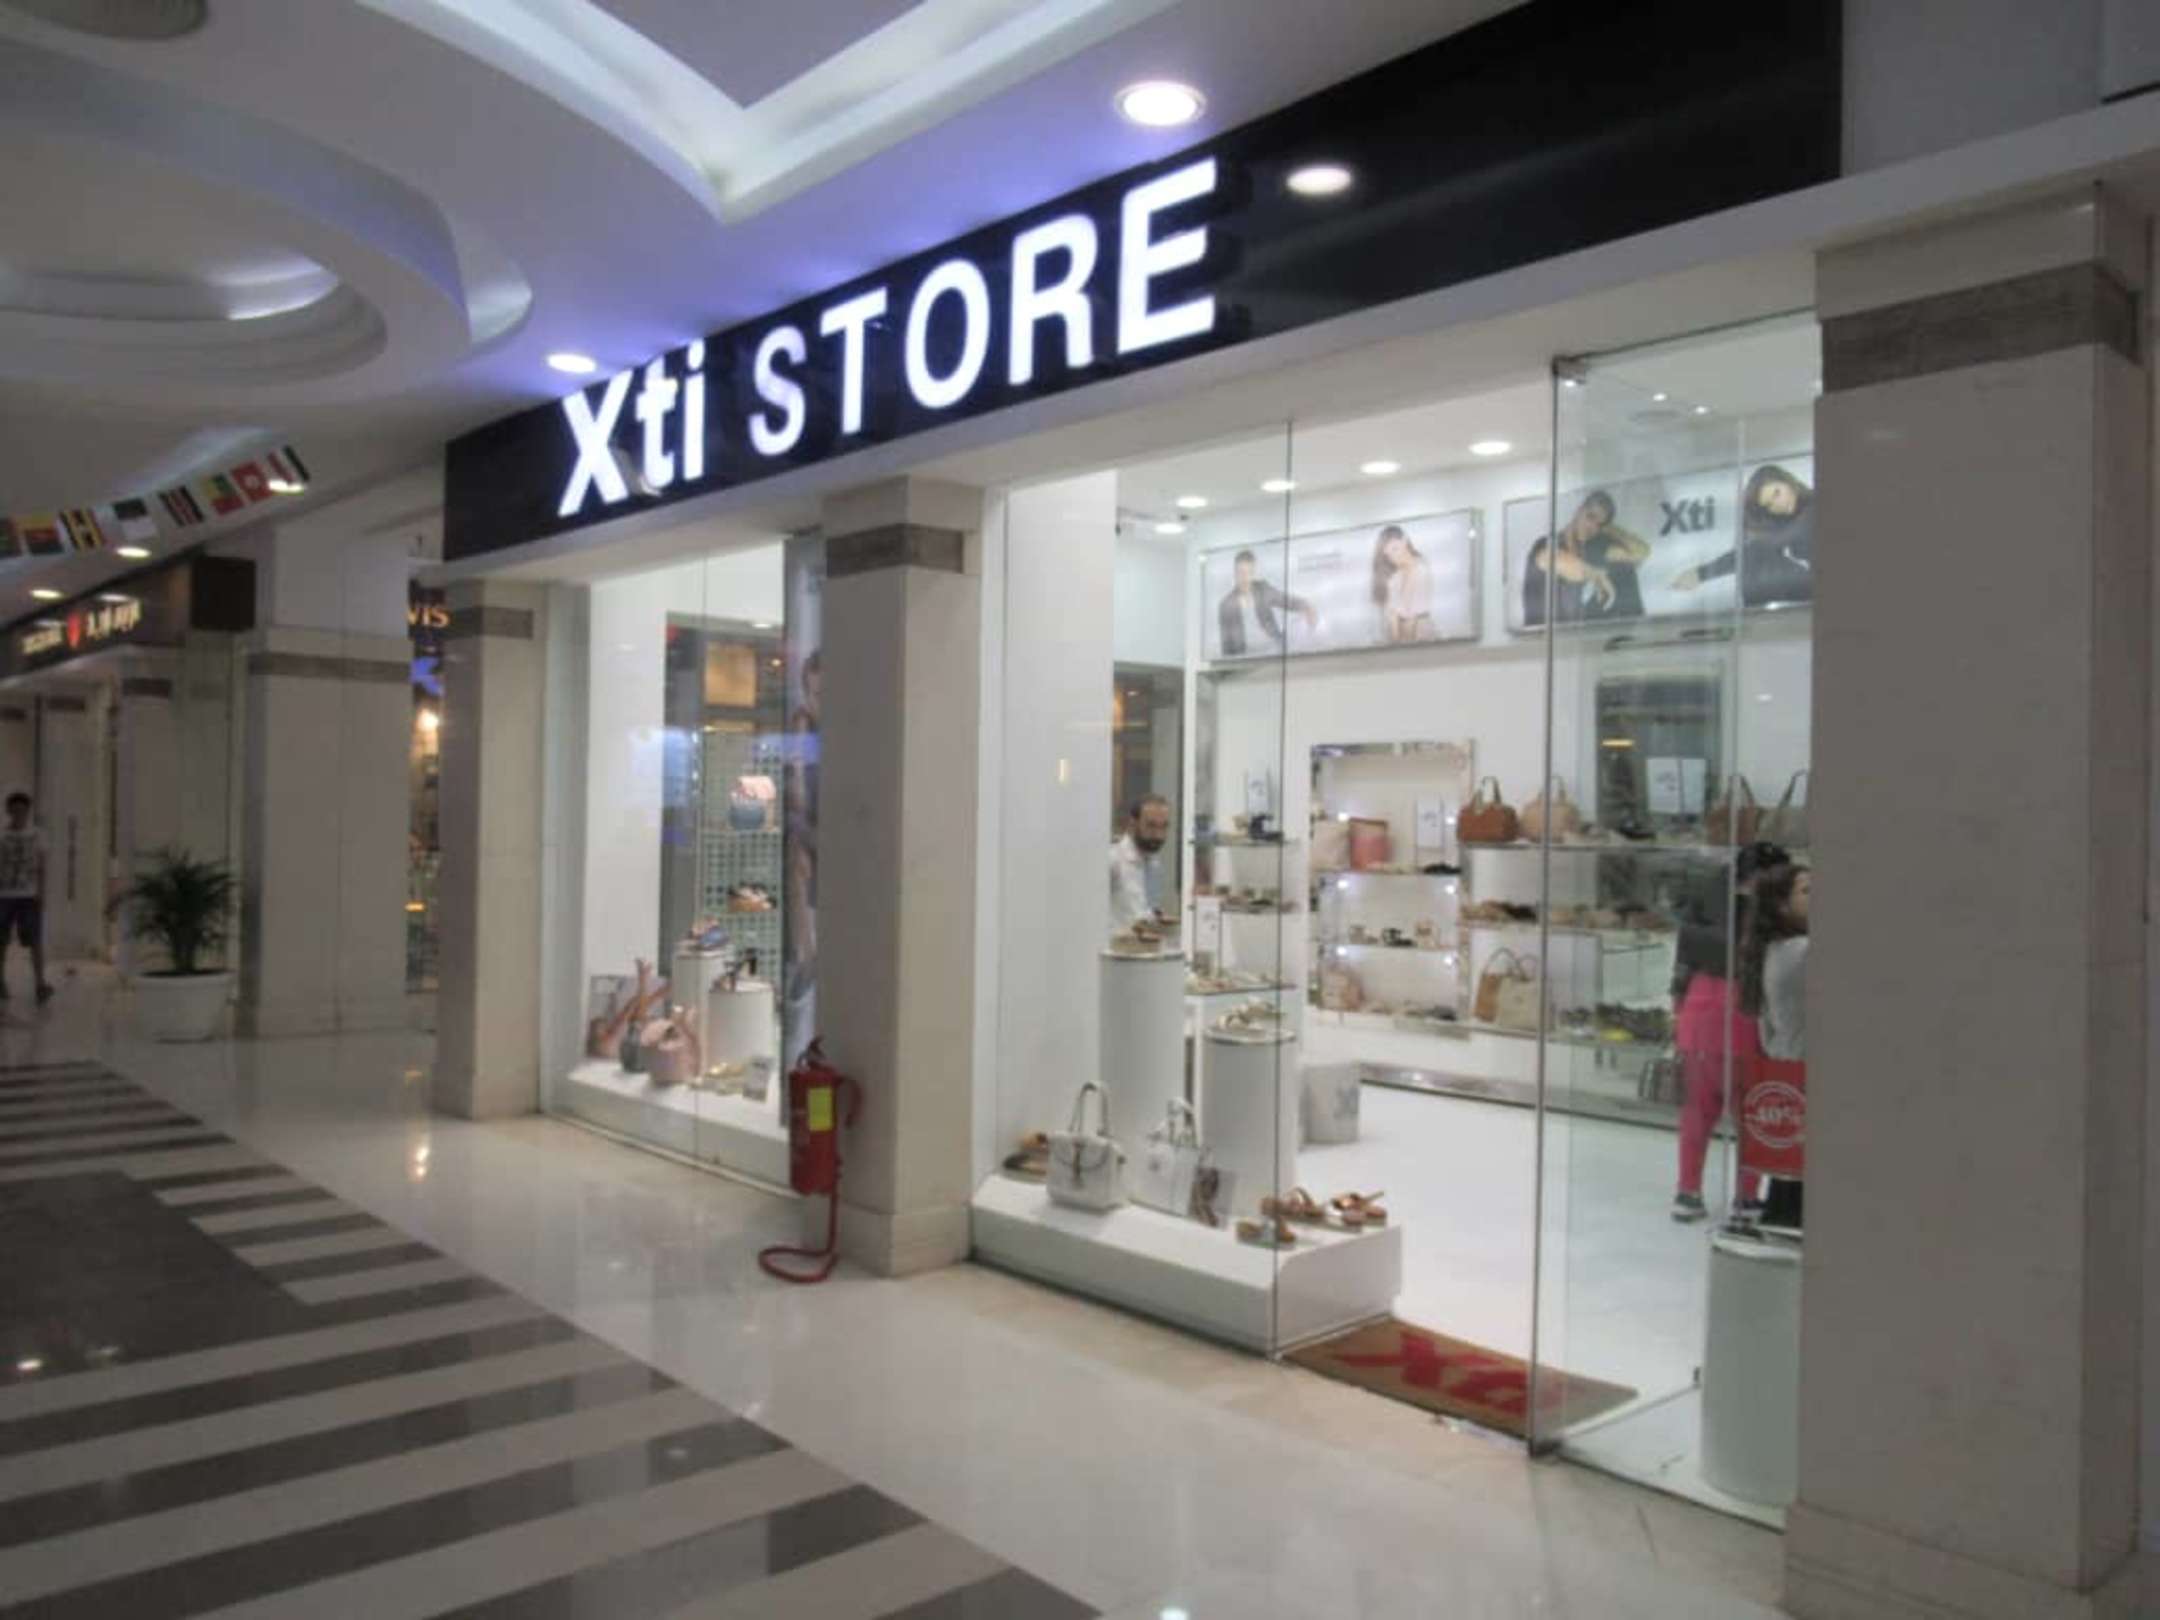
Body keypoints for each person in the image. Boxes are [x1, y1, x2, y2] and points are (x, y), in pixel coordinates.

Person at [1668, 839, 1788, 1221]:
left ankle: (1688, 1192)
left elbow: (1683, 965)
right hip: (1748, 1015)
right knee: (1751, 1114)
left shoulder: (1707, 901)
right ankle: (1746, 1197)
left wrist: (1677, 1012)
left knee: (1697, 1111)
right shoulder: (1771, 917)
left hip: (1699, 1012)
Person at [1740, 862, 1810, 1229]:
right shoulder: (1801, 951)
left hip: (1787, 1070)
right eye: (1807, 892)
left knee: (1787, 1183)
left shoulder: (1772, 950)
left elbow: (1766, 1032)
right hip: (1804, 1074)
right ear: (1781, 905)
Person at [1671, 463, 1814, 607]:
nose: (1779, 504)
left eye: (1777, 493)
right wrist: (1700, 574)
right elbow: (1751, 552)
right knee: (1753, 558)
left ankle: (1756, 617)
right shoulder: (1785, 521)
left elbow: (1765, 545)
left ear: (1788, 481)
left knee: (1755, 553)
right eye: (1769, 505)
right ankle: (1758, 616)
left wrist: (1701, 574)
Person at [1522, 490, 1651, 626]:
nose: (1592, 527)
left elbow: (1640, 553)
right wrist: (1594, 575)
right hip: (1545, 630)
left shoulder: (1592, 548)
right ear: (1579, 510)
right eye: (1590, 516)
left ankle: (1631, 630)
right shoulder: (1546, 544)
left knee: (1626, 571)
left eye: (1599, 525)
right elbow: (1550, 559)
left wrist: (1609, 528)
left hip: (1578, 625)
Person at [0, 792, 53, 1005]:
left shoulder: (38, 835)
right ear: (9, 811)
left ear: (28, 811)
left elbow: (41, 865)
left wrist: (42, 892)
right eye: (15, 810)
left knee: (35, 941)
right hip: (3, 896)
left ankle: (40, 984)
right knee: (1, 941)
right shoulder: (1, 835)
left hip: (29, 895)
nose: (19, 814)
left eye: (23, 810)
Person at [1217, 549, 1316, 656]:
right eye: (1241, 573)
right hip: (1246, 657)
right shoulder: (1226, 605)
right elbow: (1226, 644)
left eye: (1249, 572)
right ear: (1235, 574)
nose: (1245, 578)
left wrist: (1307, 606)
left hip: (1273, 650)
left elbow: (1286, 600)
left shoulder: (1263, 589)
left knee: (1301, 628)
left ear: (1253, 573)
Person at [1109, 794, 1172, 935]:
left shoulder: (1154, 863)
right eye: (1151, 826)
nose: (1158, 835)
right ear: (1133, 824)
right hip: (1117, 946)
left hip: (1145, 945)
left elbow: (1145, 911)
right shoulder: (1113, 859)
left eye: (1164, 827)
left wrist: (1157, 917)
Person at [1370, 524, 1434, 642]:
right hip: (1402, 642)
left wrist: (1401, 646)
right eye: (1388, 555)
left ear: (1404, 541)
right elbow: (1393, 617)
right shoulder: (1395, 579)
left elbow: (1412, 618)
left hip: (1423, 640)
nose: (1394, 557)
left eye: (1395, 549)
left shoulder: (1422, 570)